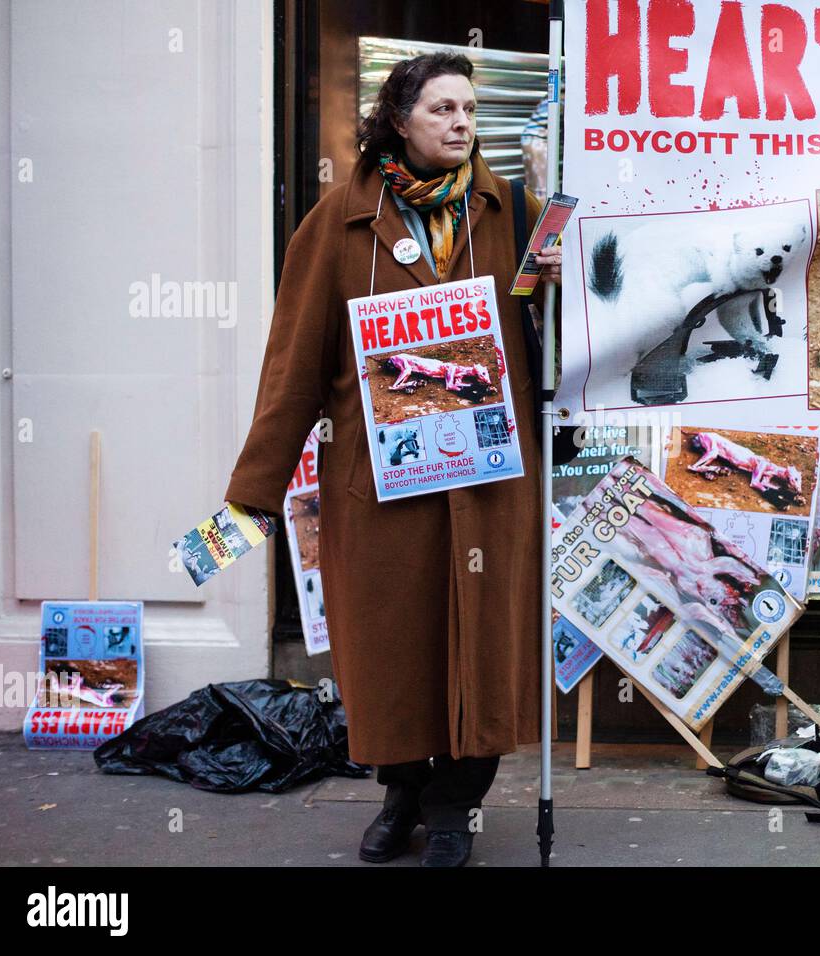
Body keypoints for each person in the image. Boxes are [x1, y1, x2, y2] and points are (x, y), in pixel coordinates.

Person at [223, 52, 560, 867]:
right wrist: (251, 497)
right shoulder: (336, 221)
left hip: (488, 485)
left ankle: (454, 805)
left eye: (471, 110)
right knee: (392, 650)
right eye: (442, 108)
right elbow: (293, 368)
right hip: (380, 489)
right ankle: (403, 788)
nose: (461, 123)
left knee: (482, 646)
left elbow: (556, 350)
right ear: (399, 119)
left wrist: (554, 283)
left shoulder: (514, 210)